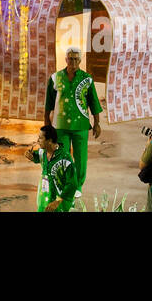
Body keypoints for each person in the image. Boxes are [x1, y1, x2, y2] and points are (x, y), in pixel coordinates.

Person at [43, 47, 101, 194]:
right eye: (70, 58)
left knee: (80, 158)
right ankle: (63, 184)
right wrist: (46, 125)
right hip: (60, 126)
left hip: (80, 126)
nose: (73, 62)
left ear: (80, 61)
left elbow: (93, 102)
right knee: (62, 156)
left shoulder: (86, 79)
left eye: (76, 59)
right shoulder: (55, 78)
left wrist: (97, 123)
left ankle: (77, 186)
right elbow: (48, 103)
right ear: (66, 59)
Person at [30, 124, 77, 212]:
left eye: (41, 138)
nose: (37, 141)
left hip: (59, 203)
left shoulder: (65, 158)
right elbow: (37, 157)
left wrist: (58, 201)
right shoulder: (43, 152)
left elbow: (72, 183)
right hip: (44, 198)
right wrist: (30, 156)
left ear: (50, 141)